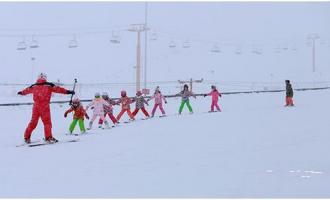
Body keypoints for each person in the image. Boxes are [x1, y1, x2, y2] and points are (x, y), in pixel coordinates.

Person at [17, 73, 75, 144]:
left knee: (33, 122)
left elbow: (27, 90)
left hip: (36, 107)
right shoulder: (49, 85)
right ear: (45, 78)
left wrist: (21, 92)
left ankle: (26, 137)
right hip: (44, 106)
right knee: (47, 123)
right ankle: (48, 137)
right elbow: (59, 89)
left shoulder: (34, 86)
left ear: (38, 78)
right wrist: (68, 92)